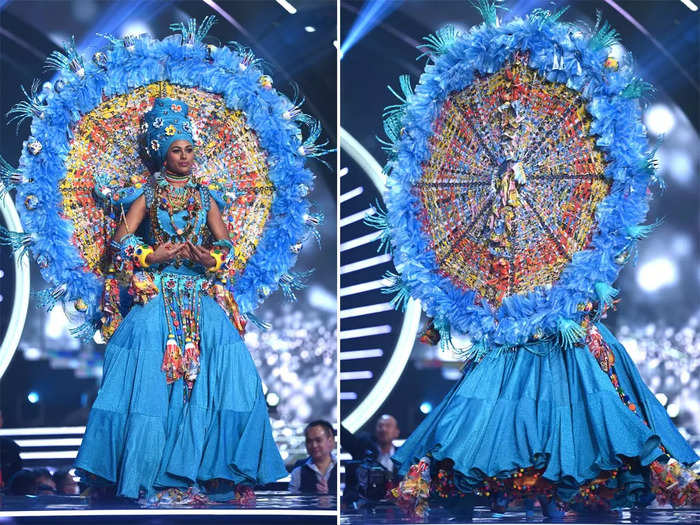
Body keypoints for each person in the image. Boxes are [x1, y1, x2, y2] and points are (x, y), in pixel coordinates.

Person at [73, 98, 287, 501]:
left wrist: (209, 256)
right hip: (157, 295)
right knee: (148, 382)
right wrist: (152, 256)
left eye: (190, 149)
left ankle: (209, 472)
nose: (185, 156)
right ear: (161, 153)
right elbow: (120, 244)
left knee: (233, 372)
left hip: (198, 295)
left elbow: (226, 246)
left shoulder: (206, 197)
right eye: (177, 149)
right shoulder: (148, 194)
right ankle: (149, 475)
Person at [289, 420, 337, 495]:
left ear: (330, 441)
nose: (314, 445)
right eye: (309, 441)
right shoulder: (298, 472)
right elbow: (293, 502)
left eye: (318, 440)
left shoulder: (341, 468)